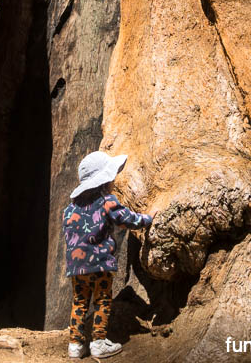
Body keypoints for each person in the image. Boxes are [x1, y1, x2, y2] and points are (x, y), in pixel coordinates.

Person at [63, 150, 155, 359]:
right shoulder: (107, 201)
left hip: (77, 268)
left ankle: (75, 344)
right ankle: (98, 342)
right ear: (104, 182)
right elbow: (126, 219)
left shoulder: (69, 209)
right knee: (103, 300)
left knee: (79, 302)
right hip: (101, 265)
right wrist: (147, 219)